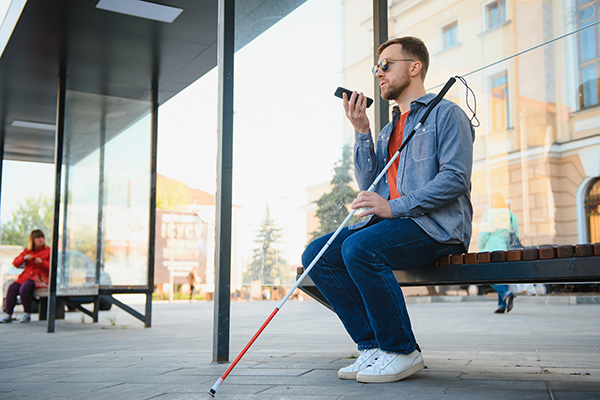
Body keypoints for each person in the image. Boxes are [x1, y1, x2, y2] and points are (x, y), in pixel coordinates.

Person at [302, 36, 474, 384]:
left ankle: (401, 350)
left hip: (436, 228)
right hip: (394, 226)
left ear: (414, 67)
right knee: (317, 253)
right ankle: (372, 347)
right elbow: (371, 182)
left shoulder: (447, 114)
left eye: (386, 65)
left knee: (359, 248)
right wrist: (361, 131)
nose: (378, 74)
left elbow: (456, 179)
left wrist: (394, 207)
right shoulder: (388, 129)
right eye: (375, 68)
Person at [478, 193, 518, 314]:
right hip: (504, 250)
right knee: (502, 277)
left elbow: (483, 235)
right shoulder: (510, 214)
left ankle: (506, 294)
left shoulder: (489, 215)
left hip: (490, 250)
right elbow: (516, 233)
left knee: (487, 276)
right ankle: (501, 305)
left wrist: (481, 249)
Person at [1, 229, 50, 323]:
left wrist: (42, 262)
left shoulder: (48, 251)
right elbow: (15, 263)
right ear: (33, 240)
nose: (41, 239)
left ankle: (27, 313)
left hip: (39, 278)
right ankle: (8, 314)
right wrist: (23, 258)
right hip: (25, 277)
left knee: (25, 288)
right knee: (12, 287)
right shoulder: (27, 251)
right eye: (38, 237)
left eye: (42, 237)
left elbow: (52, 268)